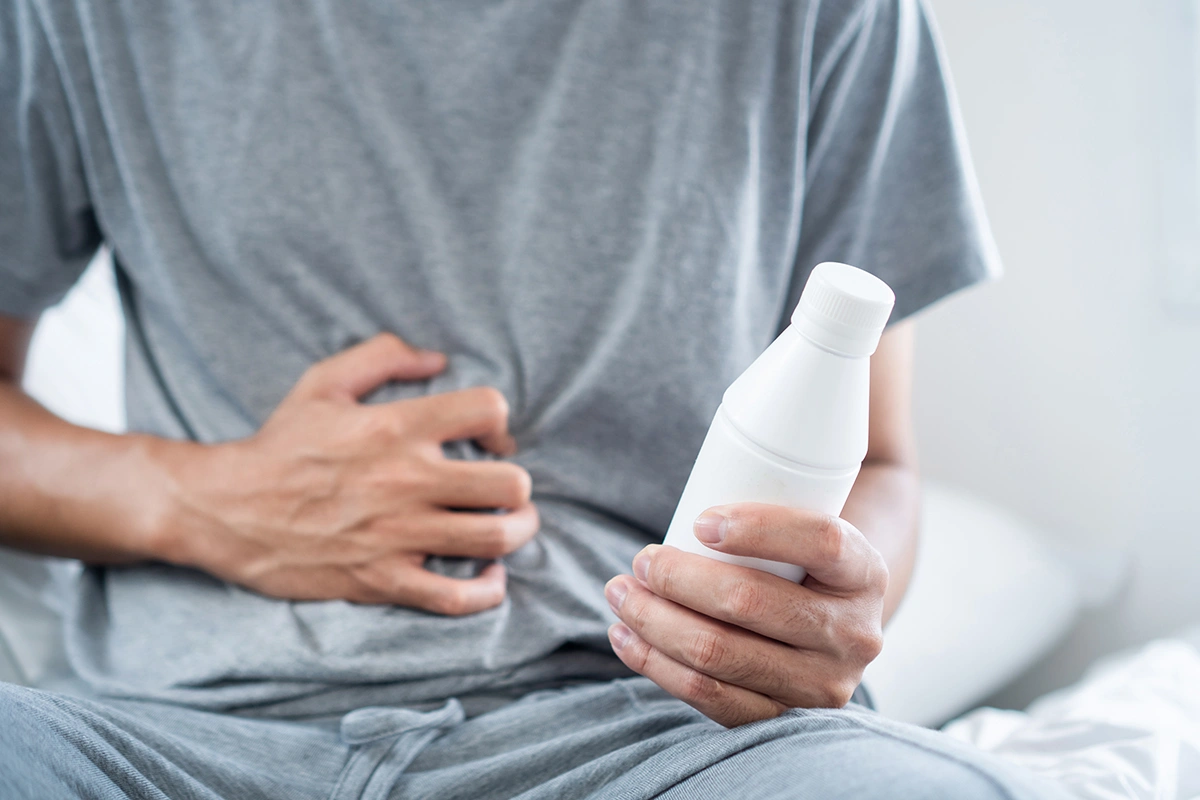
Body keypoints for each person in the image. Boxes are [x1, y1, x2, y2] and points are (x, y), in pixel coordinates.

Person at [0, 1, 1069, 797]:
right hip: (165, 736)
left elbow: (880, 465)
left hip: (668, 736)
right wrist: (200, 497)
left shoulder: (829, 18)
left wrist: (833, 608)